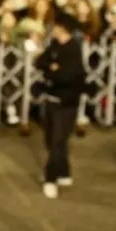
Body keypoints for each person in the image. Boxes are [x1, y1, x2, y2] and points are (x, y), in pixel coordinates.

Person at [34, 12, 89, 199]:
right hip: (51, 99)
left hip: (66, 103)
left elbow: (67, 76)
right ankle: (64, 172)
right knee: (52, 139)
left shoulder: (73, 49)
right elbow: (41, 62)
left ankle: (51, 179)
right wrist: (52, 67)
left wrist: (52, 70)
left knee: (58, 140)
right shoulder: (54, 45)